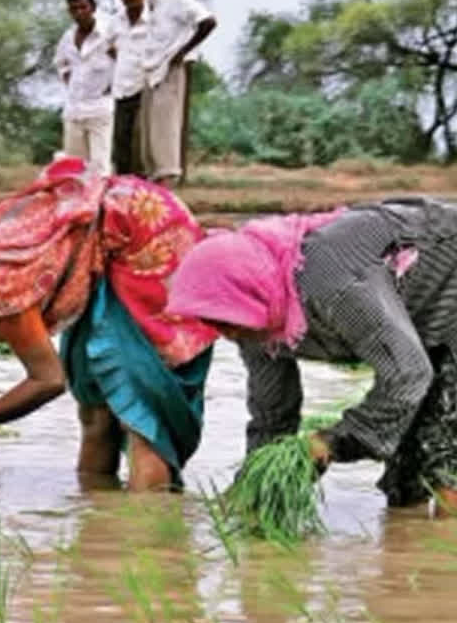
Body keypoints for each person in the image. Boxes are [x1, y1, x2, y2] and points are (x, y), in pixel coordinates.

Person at [0, 157, 216, 492]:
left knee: (139, 415)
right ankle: (99, 530)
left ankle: (148, 540)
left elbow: (48, 380)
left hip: (144, 233)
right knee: (95, 410)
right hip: (96, 245)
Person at [167, 198, 457, 516]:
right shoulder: (255, 319)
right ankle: (408, 557)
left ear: (245, 292)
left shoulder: (332, 286)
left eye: (223, 320)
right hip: (419, 319)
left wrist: (329, 443)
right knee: (405, 478)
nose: (225, 333)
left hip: (447, 268)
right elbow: (272, 415)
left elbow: (408, 375)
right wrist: (256, 483)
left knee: (445, 463)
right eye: (209, 321)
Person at [141, 0, 216, 188]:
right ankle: (156, 200)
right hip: (152, 72)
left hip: (169, 71)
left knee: (165, 138)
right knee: (151, 142)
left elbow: (208, 21)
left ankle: (167, 197)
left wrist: (182, 52)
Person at [56, 0, 115, 177]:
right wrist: (71, 82)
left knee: (99, 166)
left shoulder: (108, 34)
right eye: (74, 9)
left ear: (93, 7)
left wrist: (113, 85)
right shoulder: (67, 38)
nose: (79, 13)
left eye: (83, 7)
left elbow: (125, 61)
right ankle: (80, 207)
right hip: (74, 110)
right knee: (74, 168)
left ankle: (99, 206)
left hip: (100, 109)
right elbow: (60, 64)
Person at [109, 0, 149, 176]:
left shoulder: (155, 20)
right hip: (121, 91)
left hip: (146, 90)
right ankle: (122, 196)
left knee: (140, 149)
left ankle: (144, 196)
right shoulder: (116, 21)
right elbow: (108, 48)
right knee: (120, 148)